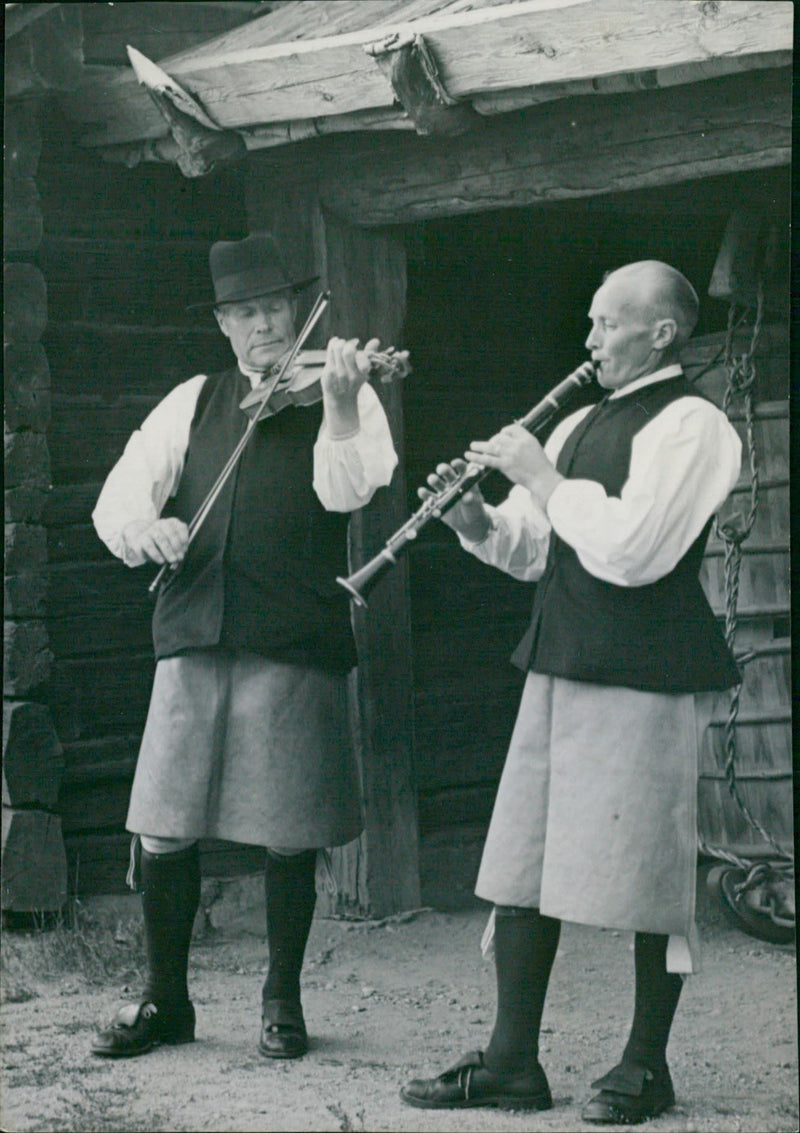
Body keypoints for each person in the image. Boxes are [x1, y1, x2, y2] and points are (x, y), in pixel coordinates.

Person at [401, 260, 742, 1122]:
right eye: (589, 324)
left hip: (646, 667)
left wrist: (540, 477)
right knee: (522, 862)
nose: (588, 342)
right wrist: (474, 520)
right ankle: (513, 1061)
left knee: (650, 874)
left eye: (605, 324)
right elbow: (537, 549)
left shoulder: (695, 424)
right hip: (559, 660)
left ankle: (643, 1066)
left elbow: (633, 551)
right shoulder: (581, 419)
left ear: (659, 332)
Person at [91, 233, 398, 1060]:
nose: (264, 325)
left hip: (291, 633)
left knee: (287, 826)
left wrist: (336, 401)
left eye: (274, 307)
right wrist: (144, 528)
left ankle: (281, 1000)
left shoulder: (344, 394)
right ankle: (166, 1000)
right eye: (246, 312)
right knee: (164, 823)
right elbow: (120, 495)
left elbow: (350, 489)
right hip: (193, 632)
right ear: (224, 323)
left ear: (294, 309)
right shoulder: (194, 398)